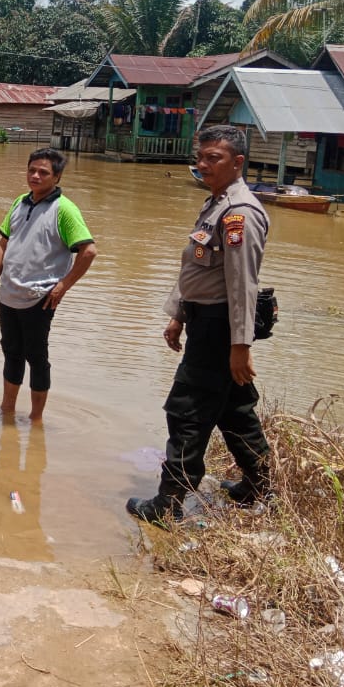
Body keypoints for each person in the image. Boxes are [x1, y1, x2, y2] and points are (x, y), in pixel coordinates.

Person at [126, 125, 271, 527]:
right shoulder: (216, 205)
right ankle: (259, 488)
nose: (203, 164)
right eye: (201, 156)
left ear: (238, 163)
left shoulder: (240, 213)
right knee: (234, 409)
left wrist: (240, 345)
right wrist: (178, 314)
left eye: (214, 158)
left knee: (186, 410)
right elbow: (197, 266)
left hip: (219, 329)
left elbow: (243, 284)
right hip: (204, 320)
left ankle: (169, 502)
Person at [0, 148, 96, 422]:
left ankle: (36, 420)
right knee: (11, 354)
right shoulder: (20, 202)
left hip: (39, 297)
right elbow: (3, 244)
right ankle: (7, 410)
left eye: (43, 172)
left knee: (36, 357)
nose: (35, 176)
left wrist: (63, 285)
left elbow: (88, 251)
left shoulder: (64, 209)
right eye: (32, 170)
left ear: (57, 177)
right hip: (9, 294)